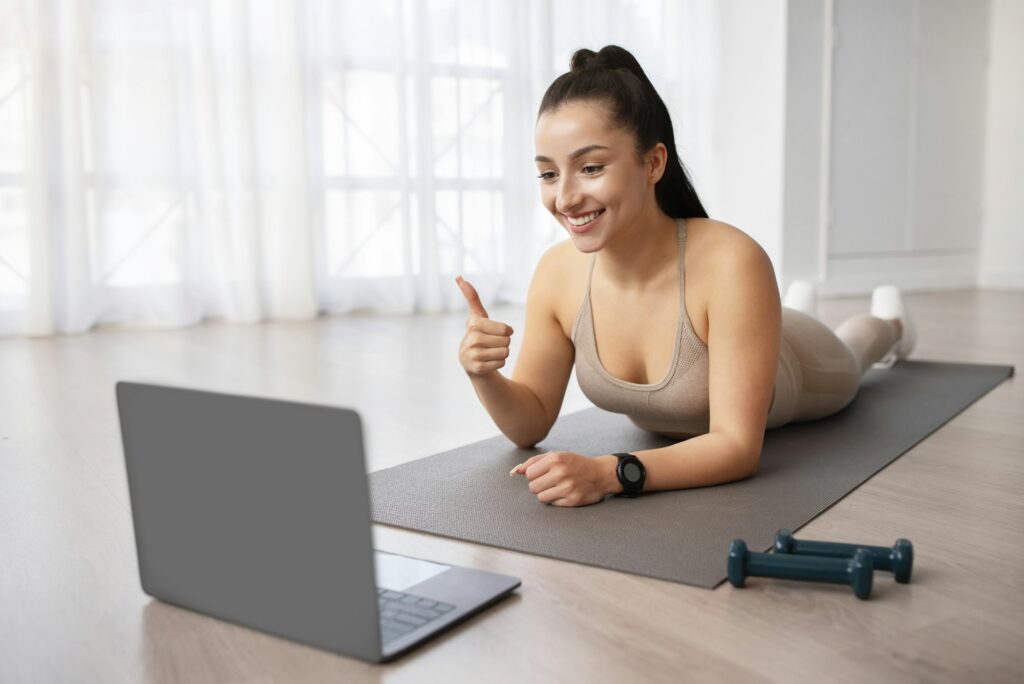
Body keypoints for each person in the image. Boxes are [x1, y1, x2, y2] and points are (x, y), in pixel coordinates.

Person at [454, 45, 916, 508]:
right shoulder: (557, 273)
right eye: (549, 174)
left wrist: (610, 472)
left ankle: (892, 325)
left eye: (591, 168)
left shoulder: (733, 262)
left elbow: (736, 446)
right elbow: (530, 423)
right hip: (744, 325)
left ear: (653, 163)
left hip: (800, 362)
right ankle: (799, 303)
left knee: (852, 354)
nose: (566, 197)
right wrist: (484, 375)